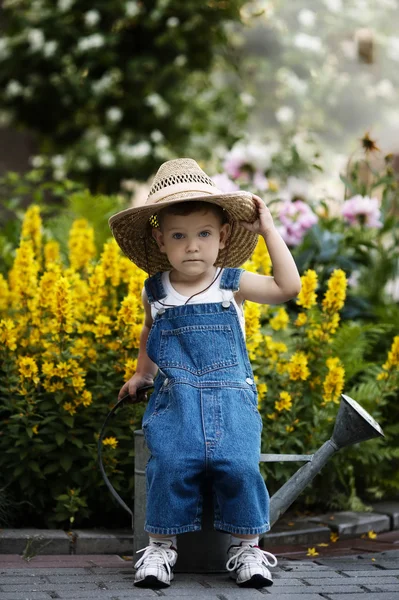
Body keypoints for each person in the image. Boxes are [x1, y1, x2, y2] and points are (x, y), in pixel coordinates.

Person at [109, 158, 301, 589]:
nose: (192, 246)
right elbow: (150, 331)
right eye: (179, 236)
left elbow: (288, 289)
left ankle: (246, 548)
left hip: (231, 399)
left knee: (239, 467)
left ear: (223, 236)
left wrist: (270, 230)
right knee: (169, 467)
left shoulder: (231, 283)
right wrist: (142, 374)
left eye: (203, 234)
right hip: (174, 400)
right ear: (160, 240)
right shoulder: (155, 290)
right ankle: (160, 548)